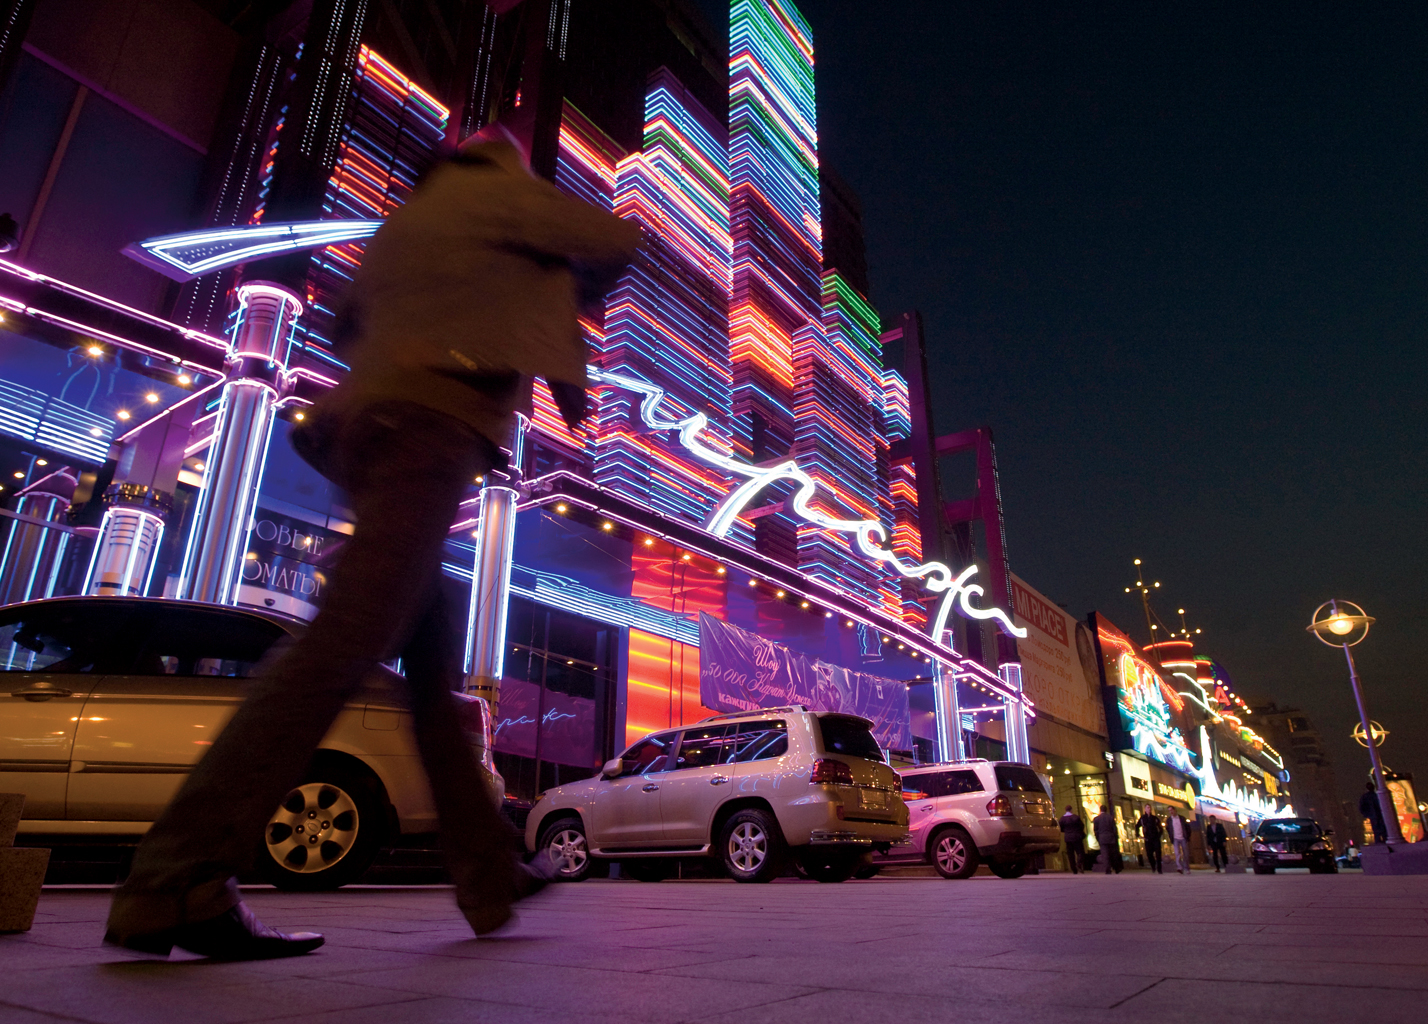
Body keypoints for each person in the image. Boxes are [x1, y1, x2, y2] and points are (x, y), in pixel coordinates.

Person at [103, 124, 641, 960]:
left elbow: (344, 323)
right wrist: (550, 289)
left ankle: (489, 869)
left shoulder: (412, 219)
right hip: (431, 428)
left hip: (368, 428)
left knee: (429, 673)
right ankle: (174, 881)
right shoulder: (494, 190)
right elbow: (613, 239)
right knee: (338, 647)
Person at [1093, 805, 1121, 874]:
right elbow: (1114, 829)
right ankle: (1116, 868)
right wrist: (1115, 837)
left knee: (1105, 854)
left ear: (1100, 810)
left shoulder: (1096, 819)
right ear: (1106, 810)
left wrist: (1098, 838)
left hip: (1102, 838)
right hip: (1111, 837)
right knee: (1113, 853)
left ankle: (1107, 869)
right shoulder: (1110, 818)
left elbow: (1096, 830)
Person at [1059, 805, 1086, 874]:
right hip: (1077, 837)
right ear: (1071, 810)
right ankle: (1079, 863)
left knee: (1070, 854)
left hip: (1068, 838)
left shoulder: (1062, 819)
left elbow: (1061, 829)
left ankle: (1074, 869)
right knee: (1080, 852)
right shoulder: (1076, 817)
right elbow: (1081, 826)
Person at [1137, 804, 1164, 873]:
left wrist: (1159, 835)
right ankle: (1153, 865)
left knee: (1158, 854)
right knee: (1149, 854)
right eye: (1147, 808)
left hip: (1155, 838)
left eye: (1149, 808)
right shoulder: (1143, 819)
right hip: (1148, 839)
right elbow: (1137, 826)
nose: (1149, 809)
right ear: (1145, 809)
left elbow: (1160, 828)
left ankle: (1159, 869)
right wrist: (1138, 835)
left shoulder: (1154, 818)